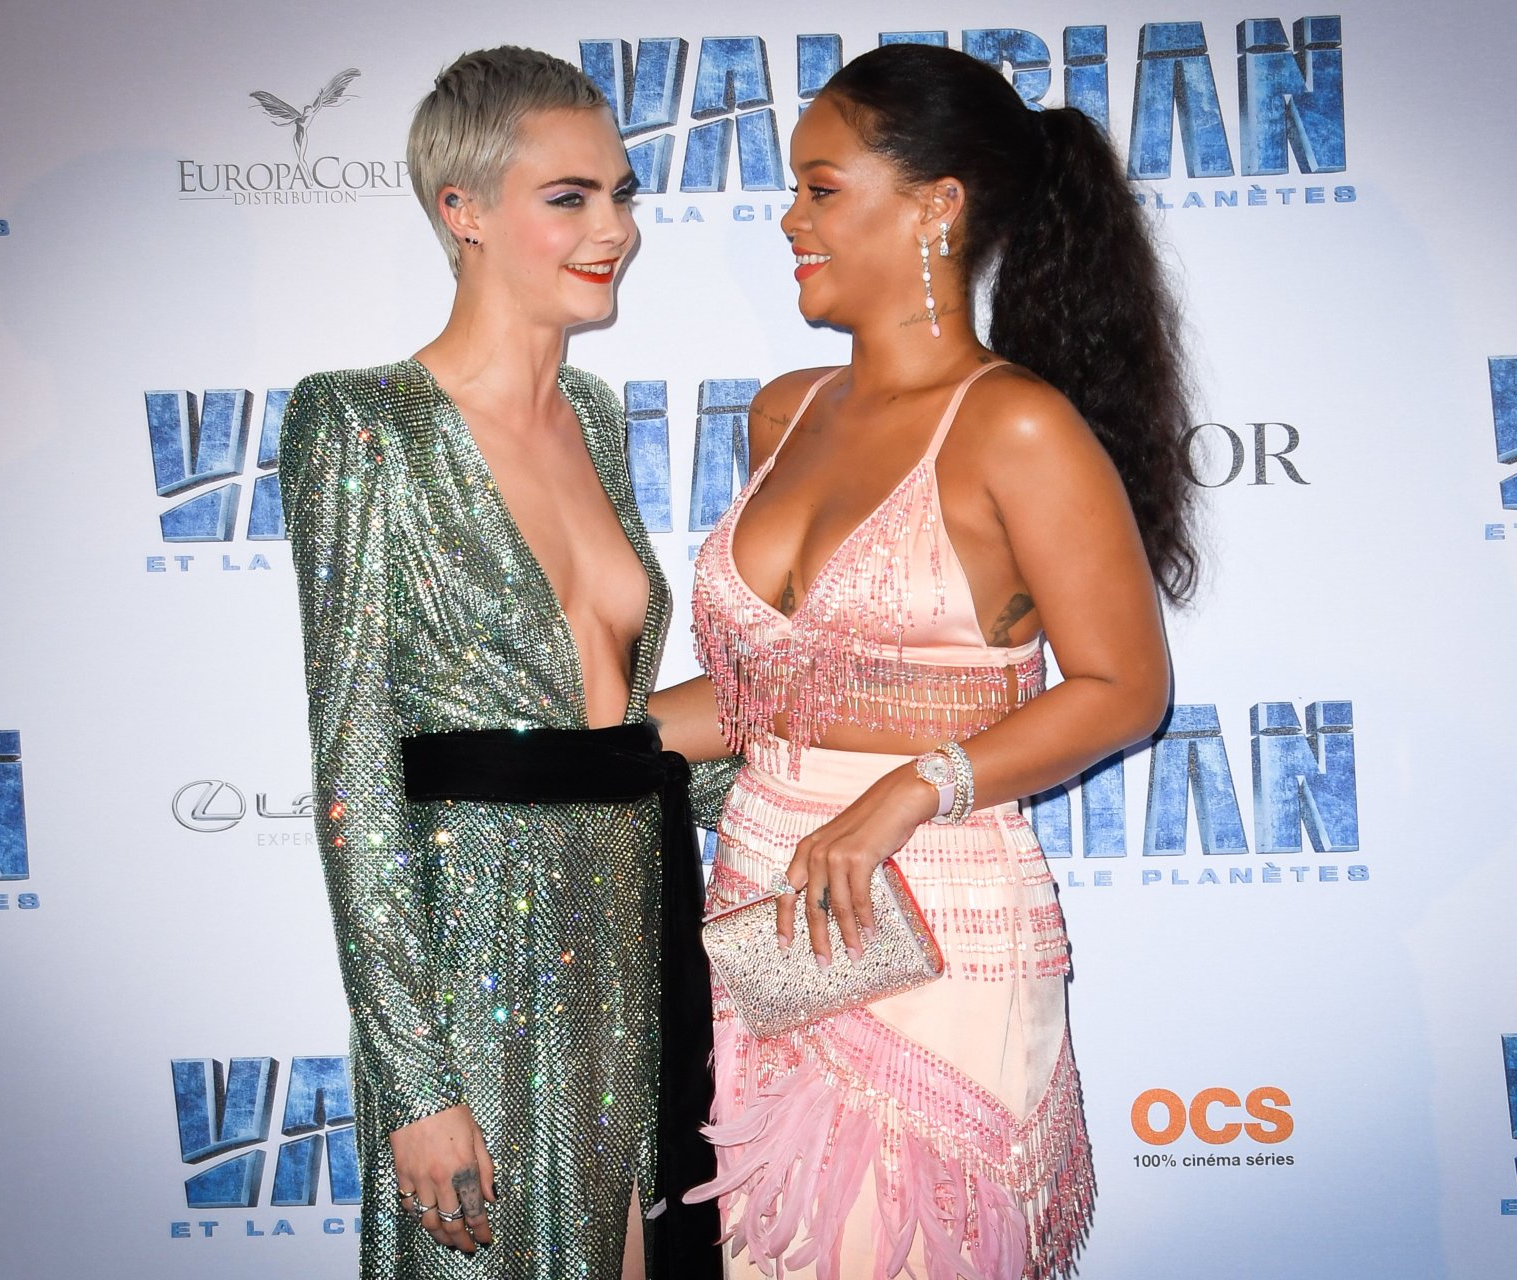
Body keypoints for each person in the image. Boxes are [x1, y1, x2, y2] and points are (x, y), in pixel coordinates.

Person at [656, 42, 1199, 1279]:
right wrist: (562, 747)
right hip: (759, 910)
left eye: (821, 187)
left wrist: (909, 789)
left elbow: (1125, 688)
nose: (789, 219)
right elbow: (761, 699)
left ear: (935, 205)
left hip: (936, 917)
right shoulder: (785, 410)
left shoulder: (1015, 423)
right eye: (793, 189)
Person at [281, 46, 726, 1280]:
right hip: (472, 958)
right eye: (569, 197)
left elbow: (617, 735)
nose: (615, 229)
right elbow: (354, 766)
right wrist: (414, 1079)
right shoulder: (361, 421)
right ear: (461, 210)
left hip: (635, 939)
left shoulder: (597, 418)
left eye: (621, 194)